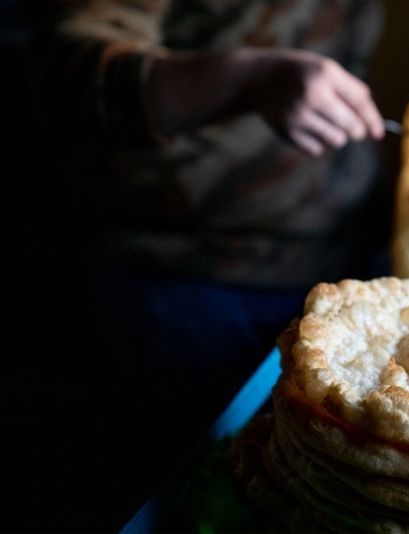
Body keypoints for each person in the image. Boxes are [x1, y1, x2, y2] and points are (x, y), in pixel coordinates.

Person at [23, 0, 389, 528]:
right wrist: (249, 79)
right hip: (193, 277)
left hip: (333, 272)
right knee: (202, 500)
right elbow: (69, 78)